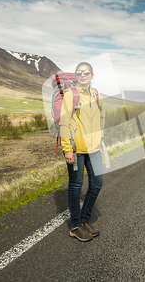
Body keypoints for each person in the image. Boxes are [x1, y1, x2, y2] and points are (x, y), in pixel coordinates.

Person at [59, 61, 104, 242]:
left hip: (94, 148)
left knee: (97, 183)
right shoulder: (71, 94)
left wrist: (100, 139)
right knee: (76, 186)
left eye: (86, 72)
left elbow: (100, 118)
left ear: (92, 75)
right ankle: (76, 226)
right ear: (76, 76)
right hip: (76, 149)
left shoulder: (96, 94)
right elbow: (63, 122)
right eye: (79, 73)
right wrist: (67, 149)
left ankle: (85, 220)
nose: (82, 75)